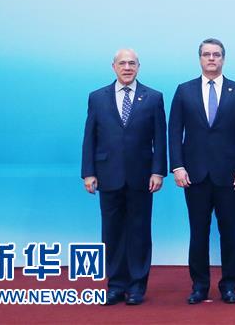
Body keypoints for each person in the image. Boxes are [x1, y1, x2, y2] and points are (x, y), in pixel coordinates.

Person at [169, 38, 235, 305]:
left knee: (229, 232)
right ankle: (199, 286)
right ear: (200, 59)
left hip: (230, 175)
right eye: (206, 54)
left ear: (223, 59)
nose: (211, 59)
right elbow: (174, 131)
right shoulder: (184, 91)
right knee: (198, 233)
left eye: (216, 54)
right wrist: (177, 166)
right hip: (194, 175)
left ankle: (229, 285)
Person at [81, 48, 167, 306]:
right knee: (112, 232)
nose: (127, 67)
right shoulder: (97, 97)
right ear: (114, 67)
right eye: (122, 63)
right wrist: (88, 172)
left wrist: (158, 171)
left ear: (138, 67)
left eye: (132, 63)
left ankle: (137, 286)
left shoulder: (153, 97)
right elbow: (90, 137)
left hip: (142, 176)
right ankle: (116, 285)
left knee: (140, 231)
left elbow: (159, 138)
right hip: (108, 175)